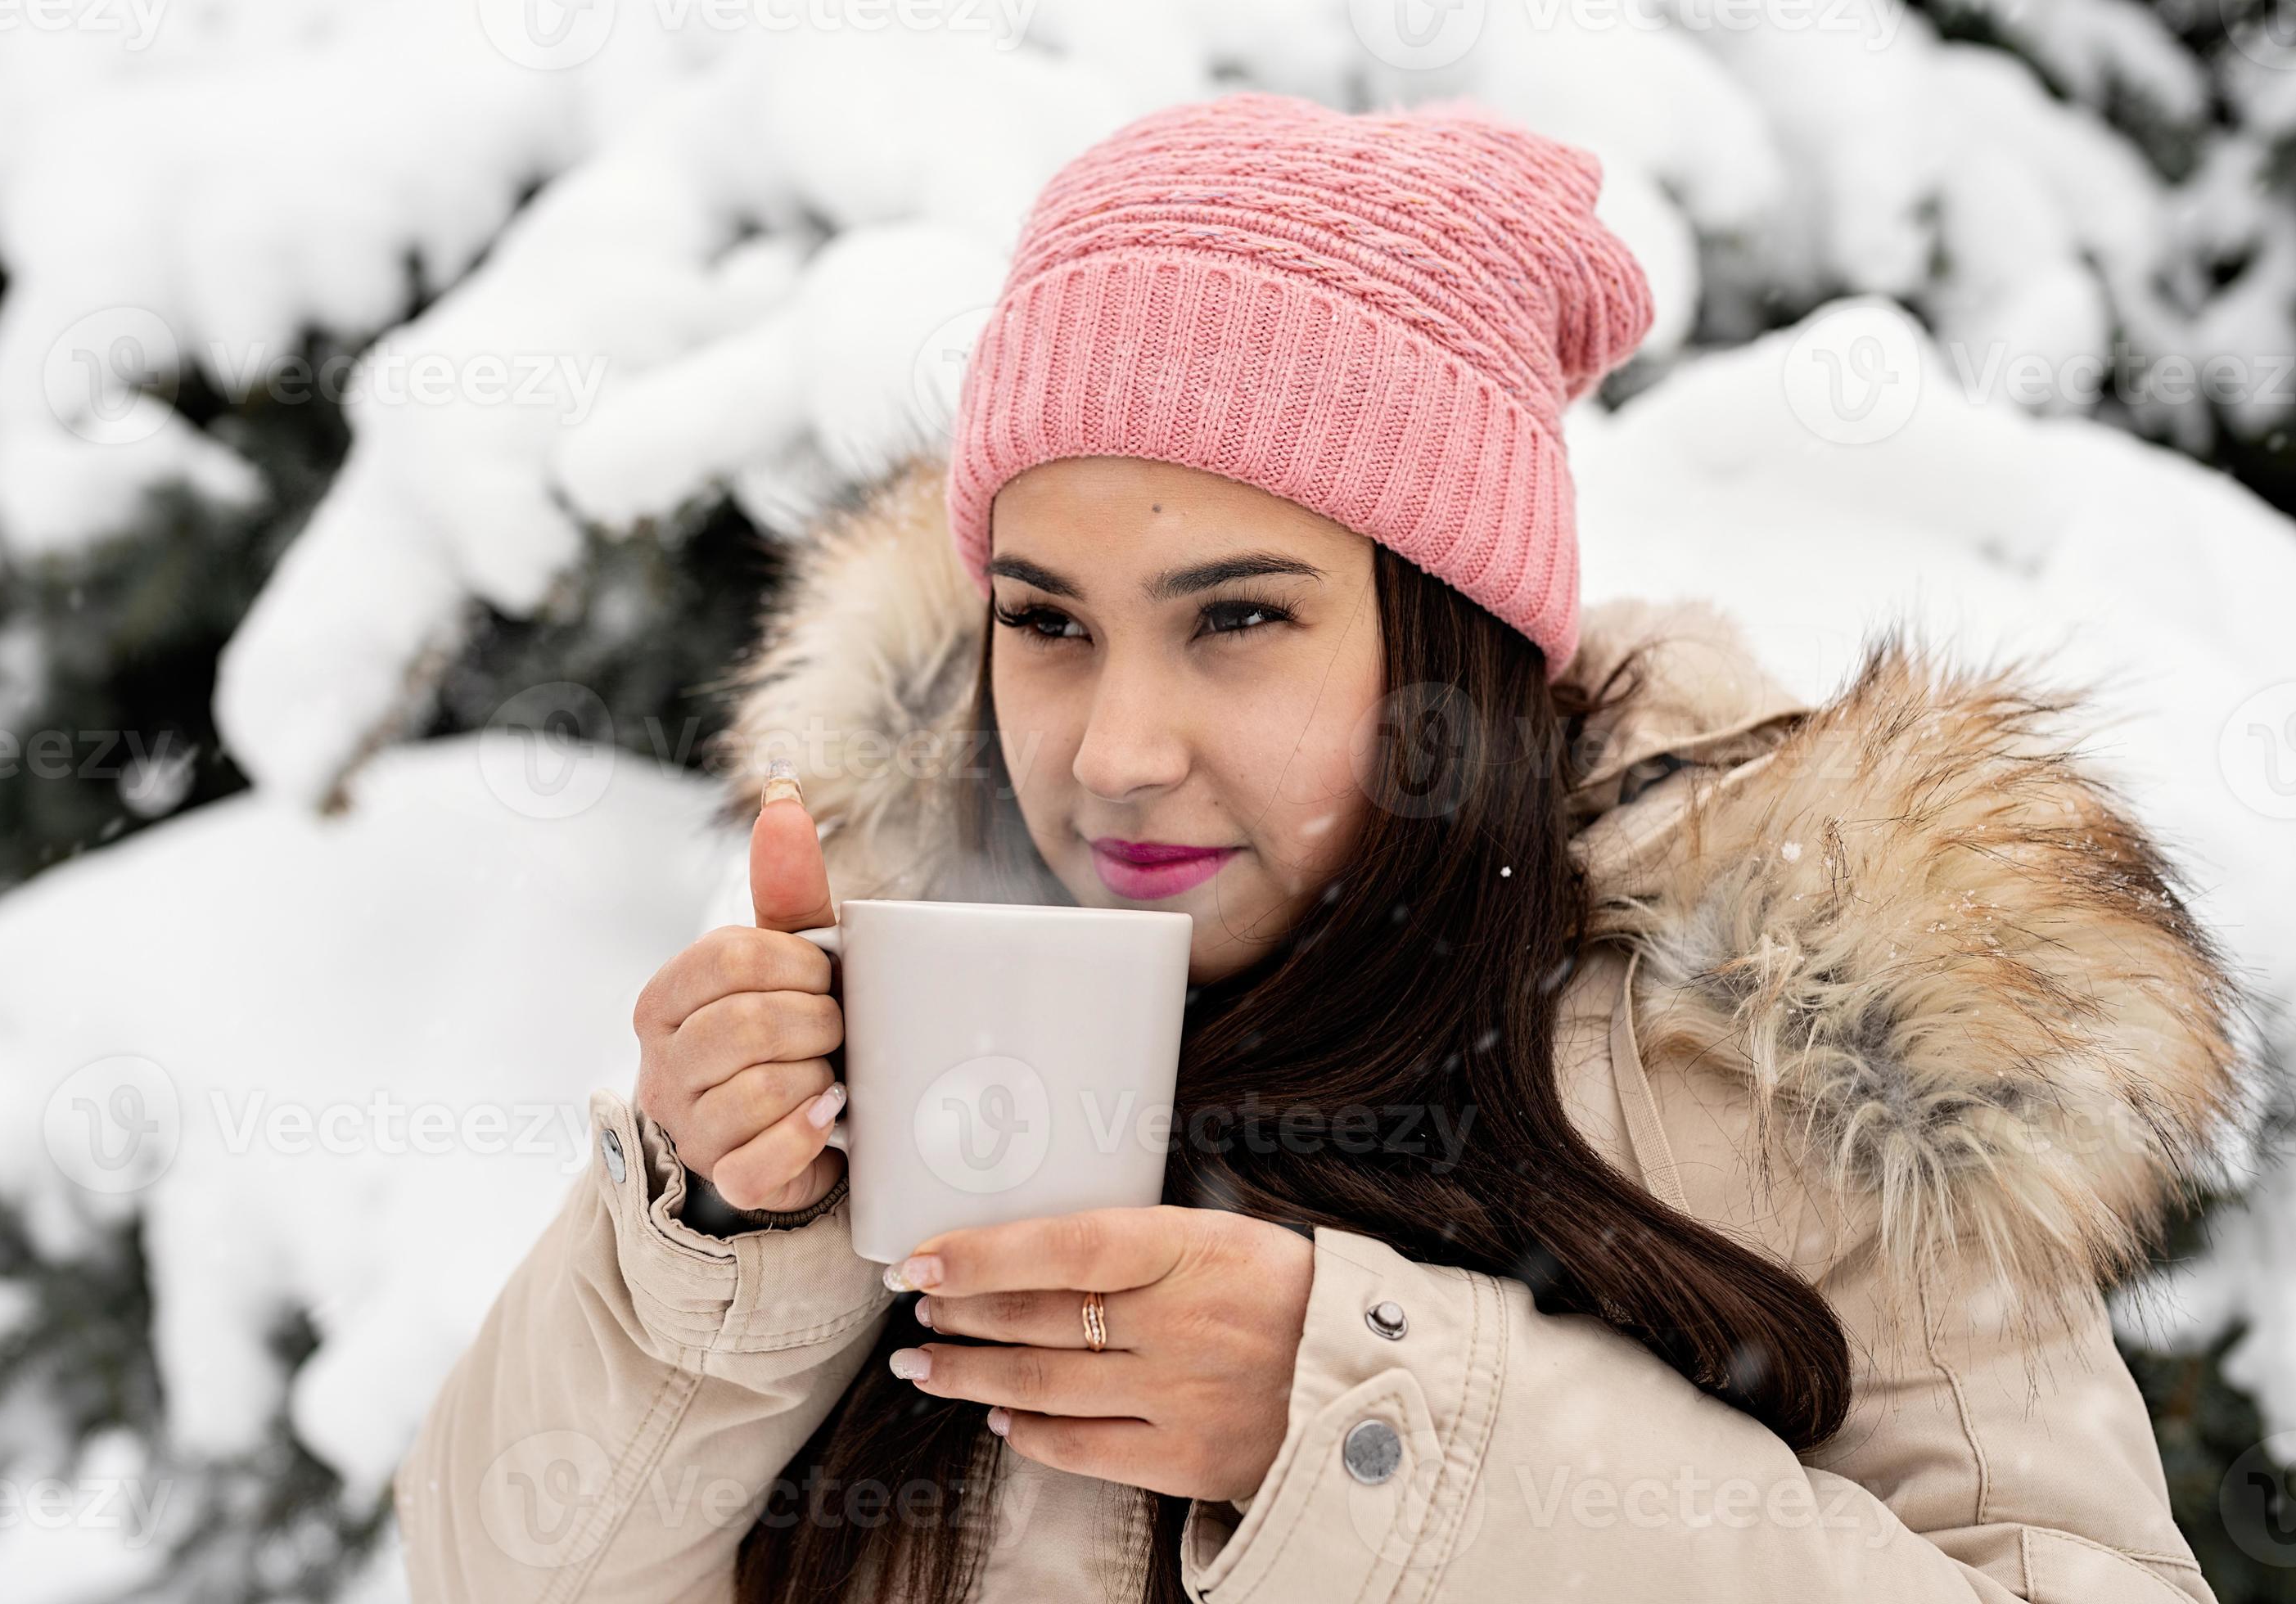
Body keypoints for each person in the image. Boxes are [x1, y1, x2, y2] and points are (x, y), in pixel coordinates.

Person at [395, 92, 2247, 1603]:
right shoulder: (918, 980)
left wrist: (1363, 1425)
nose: (1114, 752)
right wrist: (721, 1229)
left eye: (1238, 620)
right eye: (1046, 621)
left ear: (1443, 641)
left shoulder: (1780, 1049)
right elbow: (501, 1571)